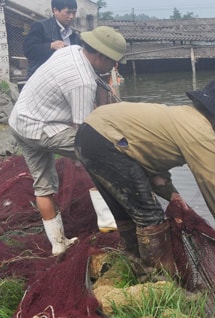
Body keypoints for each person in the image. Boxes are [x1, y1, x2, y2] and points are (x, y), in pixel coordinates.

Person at [73, 80, 215, 277]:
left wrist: (172, 194)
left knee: (127, 211)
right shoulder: (202, 133)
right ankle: (159, 282)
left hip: (88, 135)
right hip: (107, 141)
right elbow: (212, 183)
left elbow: (150, 162)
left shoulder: (180, 115)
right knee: (151, 217)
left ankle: (137, 269)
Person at [9, 26, 127, 256]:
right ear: (100, 55)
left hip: (20, 122)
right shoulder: (82, 81)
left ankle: (58, 244)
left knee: (43, 186)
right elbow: (85, 132)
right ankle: (108, 221)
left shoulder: (71, 50)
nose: (114, 66)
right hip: (43, 127)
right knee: (98, 152)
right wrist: (119, 142)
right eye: (113, 61)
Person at [24, 0, 81, 78]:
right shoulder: (40, 26)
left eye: (74, 13)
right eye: (68, 12)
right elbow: (28, 50)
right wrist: (50, 46)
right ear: (55, 10)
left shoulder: (74, 35)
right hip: (41, 79)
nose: (71, 16)